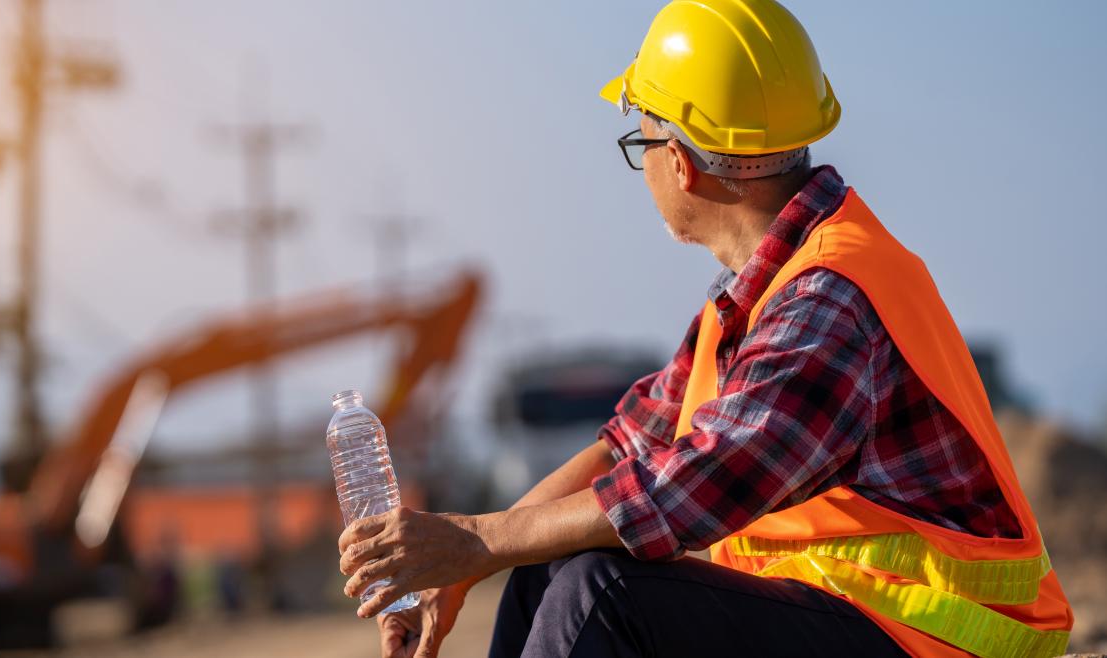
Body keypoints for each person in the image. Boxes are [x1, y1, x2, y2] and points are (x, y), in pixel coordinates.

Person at [338, 1, 1074, 656]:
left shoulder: (829, 299)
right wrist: (478, 560)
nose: (646, 167)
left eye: (642, 144)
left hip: (941, 639)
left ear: (683, 164)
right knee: (548, 563)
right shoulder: (759, 298)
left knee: (600, 591)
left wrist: (472, 537)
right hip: (854, 619)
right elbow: (628, 446)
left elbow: (694, 488)